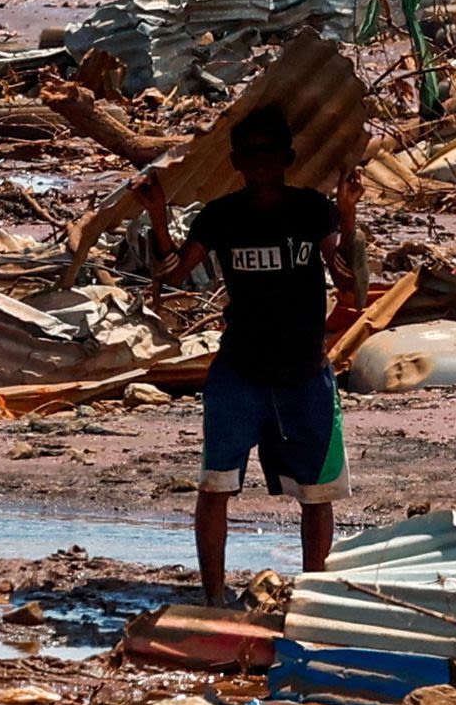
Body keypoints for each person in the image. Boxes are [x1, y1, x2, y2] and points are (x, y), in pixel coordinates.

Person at [137, 105, 358, 598]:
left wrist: (348, 211)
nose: (261, 161)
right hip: (240, 371)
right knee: (216, 486)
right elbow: (174, 275)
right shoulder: (221, 216)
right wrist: (157, 213)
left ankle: (314, 597)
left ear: (288, 156)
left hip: (304, 373)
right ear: (236, 161)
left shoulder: (310, 210)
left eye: (270, 151)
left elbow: (348, 283)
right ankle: (214, 597)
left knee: (316, 494)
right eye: (251, 153)